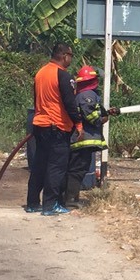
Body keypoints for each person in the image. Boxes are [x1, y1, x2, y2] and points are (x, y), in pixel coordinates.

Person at [26, 41, 83, 215]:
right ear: (64, 55)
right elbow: (69, 103)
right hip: (57, 127)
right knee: (56, 167)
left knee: (39, 165)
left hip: (39, 125)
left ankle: (32, 203)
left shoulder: (40, 73)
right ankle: (50, 206)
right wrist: (78, 124)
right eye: (70, 56)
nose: (71, 60)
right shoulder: (64, 76)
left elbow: (36, 100)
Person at [65, 65, 119, 208]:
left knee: (78, 169)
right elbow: (91, 115)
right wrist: (102, 118)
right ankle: (70, 200)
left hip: (83, 139)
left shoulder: (83, 94)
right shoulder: (87, 95)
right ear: (92, 80)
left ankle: (70, 198)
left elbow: (91, 111)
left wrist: (106, 112)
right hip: (83, 140)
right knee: (77, 169)